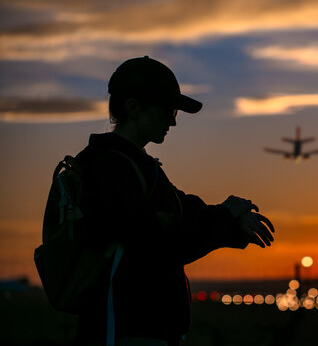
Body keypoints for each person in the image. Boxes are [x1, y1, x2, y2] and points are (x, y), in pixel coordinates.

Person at [74, 56, 274, 346]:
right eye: (167, 110)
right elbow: (157, 246)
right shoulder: (109, 169)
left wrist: (233, 222)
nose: (173, 121)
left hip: (142, 331)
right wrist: (226, 218)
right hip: (124, 331)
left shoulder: (137, 168)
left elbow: (185, 213)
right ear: (132, 107)